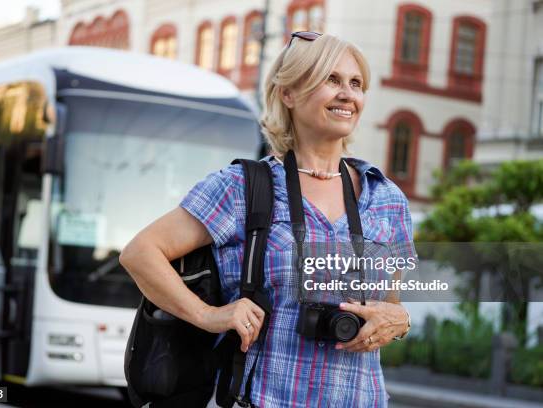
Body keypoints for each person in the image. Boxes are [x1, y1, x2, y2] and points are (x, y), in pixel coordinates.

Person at [120, 32, 415, 408]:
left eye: (356, 83)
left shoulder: (386, 198)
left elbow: (390, 303)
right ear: (289, 94)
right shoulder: (244, 187)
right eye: (331, 79)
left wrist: (398, 321)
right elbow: (140, 252)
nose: (348, 94)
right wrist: (210, 316)